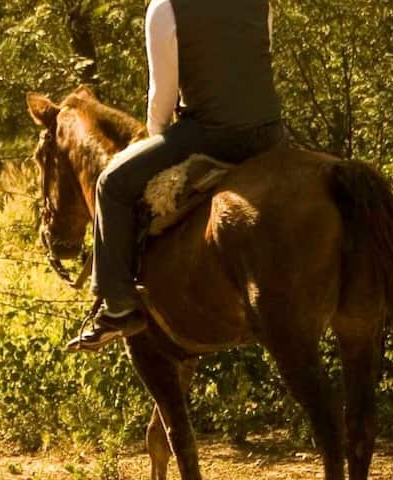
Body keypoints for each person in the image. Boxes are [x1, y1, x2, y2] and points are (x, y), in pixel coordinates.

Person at [67, 0, 290, 352]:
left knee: (111, 183)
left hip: (212, 134)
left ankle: (119, 307)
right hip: (271, 133)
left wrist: (155, 141)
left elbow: (163, 96)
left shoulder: (165, 8)